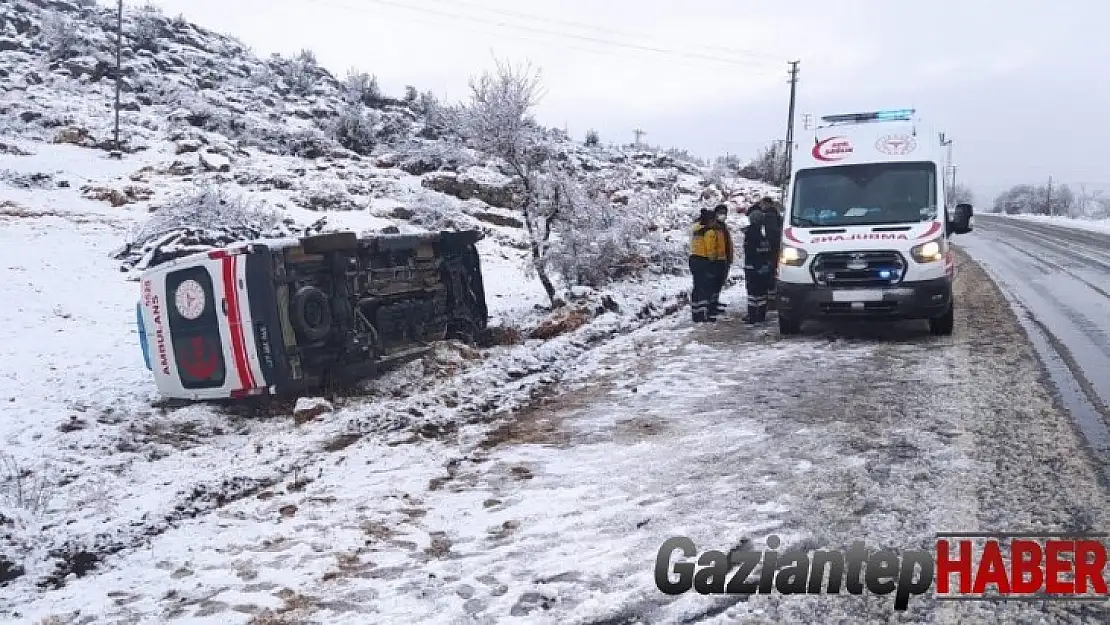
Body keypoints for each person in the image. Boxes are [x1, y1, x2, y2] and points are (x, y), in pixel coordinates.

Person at [689, 207, 727, 322]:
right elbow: (711, 250)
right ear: (710, 220)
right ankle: (702, 315)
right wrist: (713, 261)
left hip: (694, 259)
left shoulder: (697, 230)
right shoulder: (709, 232)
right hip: (704, 261)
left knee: (697, 287)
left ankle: (696, 313)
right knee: (704, 288)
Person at [742, 207, 773, 324]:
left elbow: (750, 252)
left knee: (752, 294)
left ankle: (752, 316)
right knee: (761, 293)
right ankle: (760, 315)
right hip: (760, 268)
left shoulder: (750, 234)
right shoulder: (761, 235)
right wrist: (766, 265)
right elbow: (765, 251)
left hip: (752, 268)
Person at [709, 204, 734, 315]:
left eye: (725, 213)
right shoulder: (713, 227)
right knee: (714, 284)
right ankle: (711, 305)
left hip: (724, 259)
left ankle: (715, 302)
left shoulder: (723, 227)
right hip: (716, 260)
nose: (723, 215)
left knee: (719, 283)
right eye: (721, 213)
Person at [759, 197, 784, 309]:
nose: (761, 206)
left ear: (767, 204)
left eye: (762, 204)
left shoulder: (769, 216)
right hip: (777, 248)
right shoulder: (776, 215)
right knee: (773, 273)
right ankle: (772, 298)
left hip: (772, 249)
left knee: (770, 274)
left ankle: (771, 301)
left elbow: (772, 233)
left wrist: (767, 245)